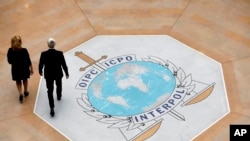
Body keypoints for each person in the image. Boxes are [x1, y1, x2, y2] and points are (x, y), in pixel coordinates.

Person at [38, 38, 69, 117]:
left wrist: (40, 71)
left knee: (50, 90)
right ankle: (59, 95)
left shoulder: (43, 54)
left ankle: (51, 107)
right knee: (59, 85)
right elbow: (63, 64)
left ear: (48, 45)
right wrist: (66, 73)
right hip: (58, 73)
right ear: (54, 44)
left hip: (49, 75)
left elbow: (41, 64)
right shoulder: (59, 53)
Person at [7, 35, 34, 103]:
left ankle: (20, 93)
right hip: (24, 68)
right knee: (25, 79)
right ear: (20, 42)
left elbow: (9, 61)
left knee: (18, 80)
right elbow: (28, 60)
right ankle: (25, 91)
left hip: (16, 68)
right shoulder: (24, 50)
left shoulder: (10, 51)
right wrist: (31, 68)